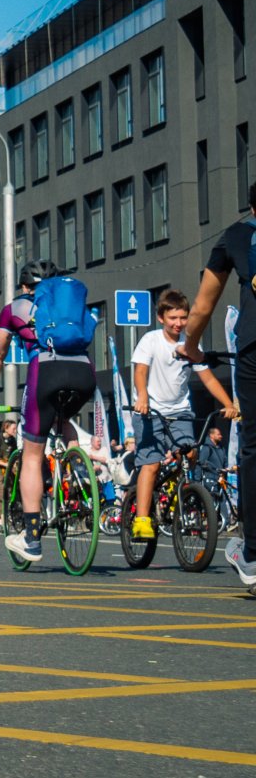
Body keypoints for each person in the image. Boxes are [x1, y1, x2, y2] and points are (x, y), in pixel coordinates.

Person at [0, 259, 99, 564]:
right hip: (84, 372)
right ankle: (78, 473)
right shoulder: (69, 305)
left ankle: (32, 539)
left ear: (24, 286)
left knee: (33, 453)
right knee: (63, 419)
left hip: (45, 369)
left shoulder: (15, 309)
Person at [181, 187, 256, 588]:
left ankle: (253, 553)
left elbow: (204, 305)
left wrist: (191, 347)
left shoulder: (237, 236)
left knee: (252, 445)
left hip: (254, 346)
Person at [130, 289, 236, 543]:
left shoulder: (191, 345)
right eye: (173, 318)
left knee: (190, 453)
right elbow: (140, 371)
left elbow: (207, 378)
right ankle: (142, 518)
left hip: (179, 411)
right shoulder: (150, 341)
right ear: (161, 318)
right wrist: (142, 397)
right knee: (151, 464)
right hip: (150, 411)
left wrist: (230, 404)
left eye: (183, 318)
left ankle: (184, 495)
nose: (178, 323)